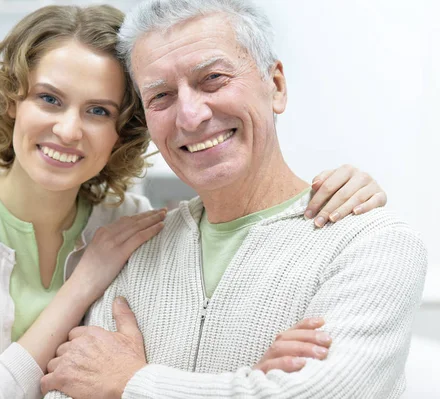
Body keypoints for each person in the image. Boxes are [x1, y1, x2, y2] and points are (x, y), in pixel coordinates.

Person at [0, 4, 388, 399]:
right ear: (10, 103)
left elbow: (121, 380)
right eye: (48, 99)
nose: (68, 129)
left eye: (98, 110)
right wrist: (86, 279)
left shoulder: (130, 223)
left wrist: (251, 379)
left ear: (122, 132)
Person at [40, 1, 427, 399]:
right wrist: (254, 382)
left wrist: (128, 382)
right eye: (161, 96)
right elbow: (67, 389)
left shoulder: (371, 244)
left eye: (213, 78)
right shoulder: (133, 251)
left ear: (275, 85)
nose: (190, 116)